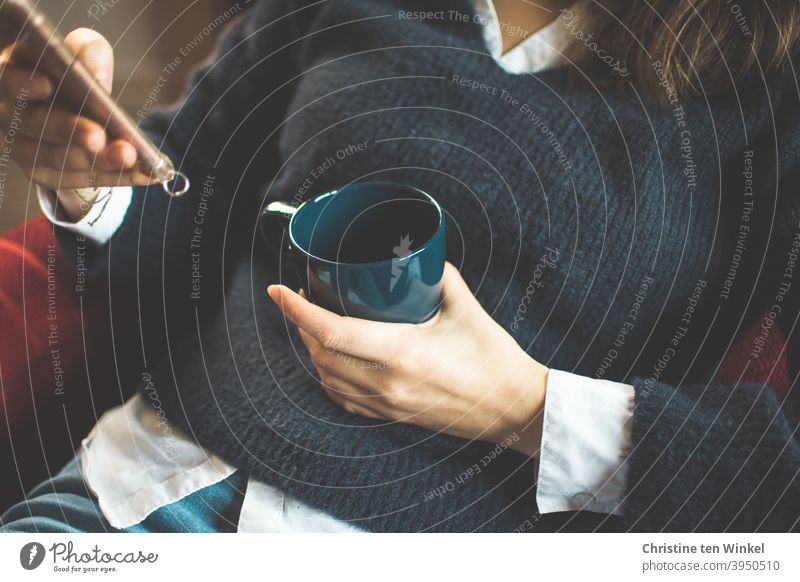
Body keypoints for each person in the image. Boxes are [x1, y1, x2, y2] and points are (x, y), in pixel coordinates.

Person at [1, 0, 799, 533]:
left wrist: (524, 408)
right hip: (152, 487)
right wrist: (88, 186)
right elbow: (191, 197)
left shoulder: (772, 95)